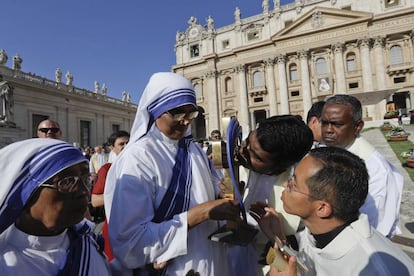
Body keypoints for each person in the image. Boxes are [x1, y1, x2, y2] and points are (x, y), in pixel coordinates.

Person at [104, 72, 240, 275]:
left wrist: (220, 193)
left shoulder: (194, 150)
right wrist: (201, 213)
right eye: (177, 113)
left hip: (212, 259)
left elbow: (206, 192)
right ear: (156, 111)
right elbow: (130, 242)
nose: (185, 122)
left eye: (191, 114)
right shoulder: (138, 157)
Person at [252, 147, 414, 275]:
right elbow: (309, 267)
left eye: (293, 185)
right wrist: (279, 239)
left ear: (322, 208)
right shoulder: (320, 231)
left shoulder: (372, 269)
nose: (285, 187)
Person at [0, 138, 110, 275]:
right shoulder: (6, 265)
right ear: (23, 194)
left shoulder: (88, 242)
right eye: (67, 182)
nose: (84, 191)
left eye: (86, 179)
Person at [228, 115, 313, 276]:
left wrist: (278, 239)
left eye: (256, 156)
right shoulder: (228, 166)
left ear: (280, 167)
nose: (242, 151)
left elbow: (297, 263)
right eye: (247, 142)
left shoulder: (301, 195)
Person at [320, 94, 403, 238]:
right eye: (324, 123)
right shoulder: (321, 153)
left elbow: (376, 226)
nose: (328, 130)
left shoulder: (375, 169)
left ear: (357, 126)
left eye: (337, 124)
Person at [91, 130, 130, 261]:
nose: (126, 146)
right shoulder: (107, 170)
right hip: (116, 226)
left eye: (128, 142)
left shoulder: (143, 166)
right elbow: (95, 200)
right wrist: (122, 194)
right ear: (112, 148)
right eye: (121, 144)